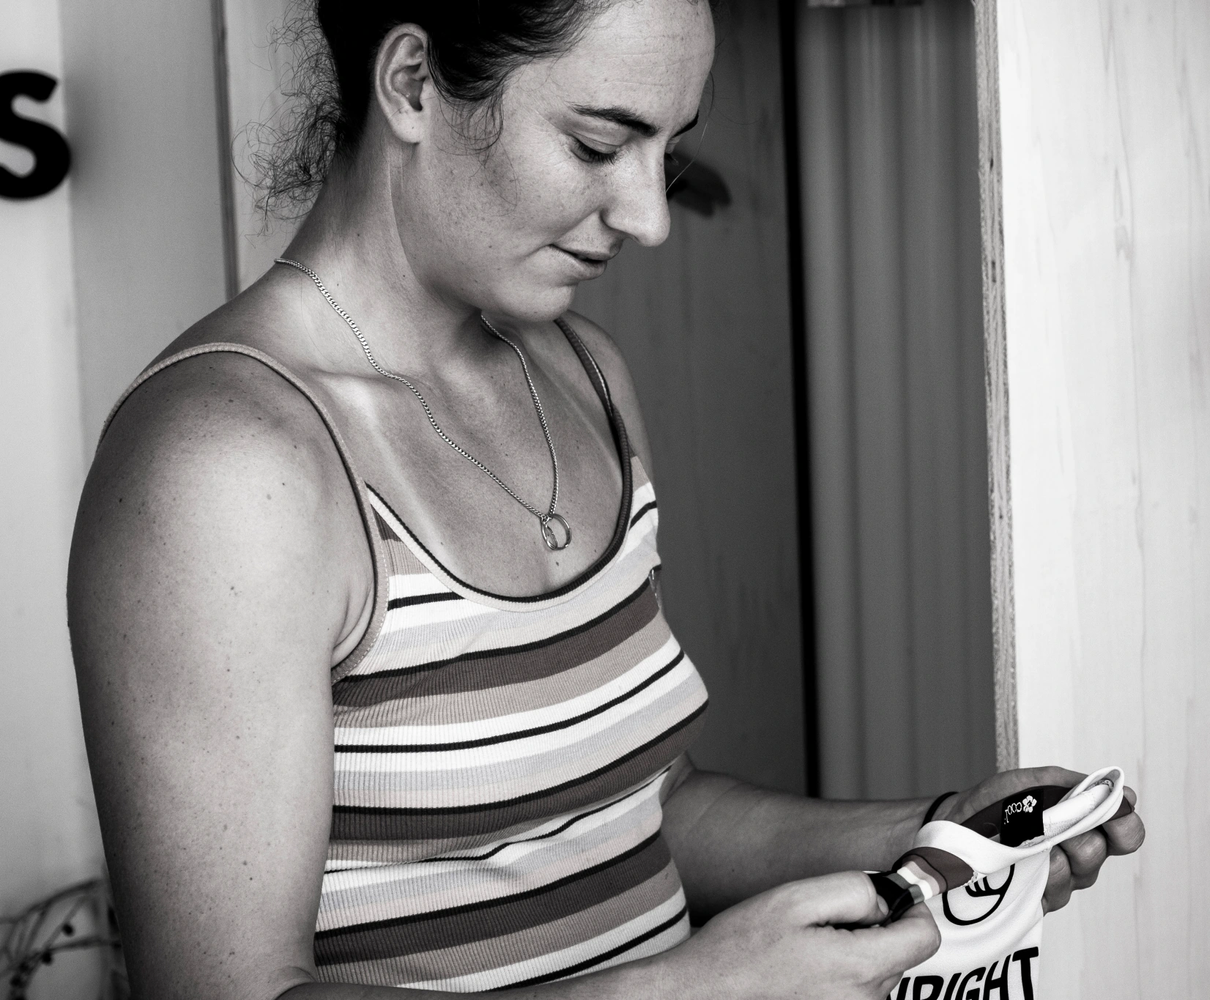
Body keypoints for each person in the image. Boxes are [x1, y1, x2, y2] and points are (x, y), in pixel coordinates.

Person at [66, 1, 1145, 997]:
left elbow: (640, 810)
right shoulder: (226, 463)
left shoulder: (582, 376)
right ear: (412, 85)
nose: (647, 216)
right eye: (596, 142)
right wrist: (680, 992)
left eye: (666, 153)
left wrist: (930, 832)